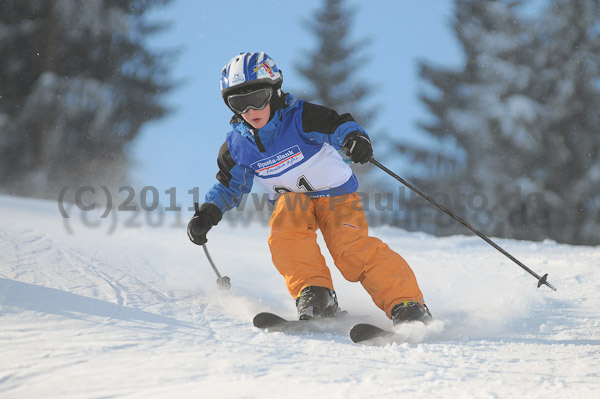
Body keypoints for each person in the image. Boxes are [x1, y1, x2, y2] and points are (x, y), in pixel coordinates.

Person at [187, 52, 431, 325]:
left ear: (276, 92)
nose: (250, 111)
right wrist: (207, 213)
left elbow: (338, 125)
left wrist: (354, 138)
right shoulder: (238, 145)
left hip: (336, 197)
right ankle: (315, 293)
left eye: (257, 99)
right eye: (238, 104)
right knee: (286, 234)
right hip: (293, 203)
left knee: (349, 249)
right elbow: (229, 186)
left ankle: (406, 303)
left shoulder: (300, 118)